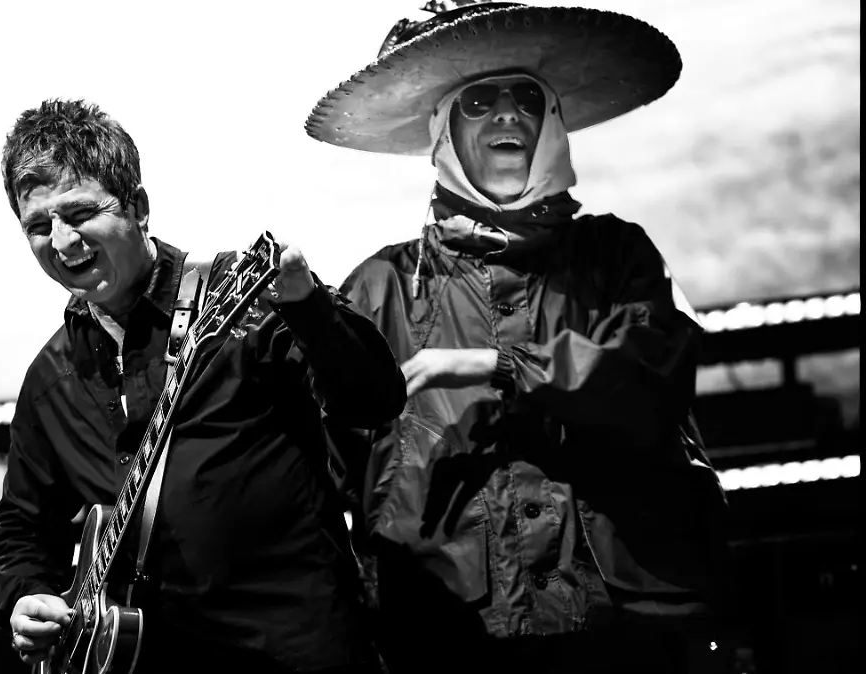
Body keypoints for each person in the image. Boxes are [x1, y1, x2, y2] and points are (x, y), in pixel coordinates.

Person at [305, 2, 730, 673]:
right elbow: (323, 481)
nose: (508, 115)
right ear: (443, 130)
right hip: (452, 644)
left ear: (550, 122)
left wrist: (495, 363)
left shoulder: (618, 259)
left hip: (622, 635)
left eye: (525, 97)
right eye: (480, 101)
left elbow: (646, 381)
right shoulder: (376, 290)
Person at [0, 98, 405, 674]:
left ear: (138, 207)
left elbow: (374, 400)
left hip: (298, 655)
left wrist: (308, 307)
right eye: (38, 225)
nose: (61, 242)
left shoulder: (243, 300)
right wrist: (24, 595)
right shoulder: (51, 377)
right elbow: (21, 527)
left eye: (79, 213)